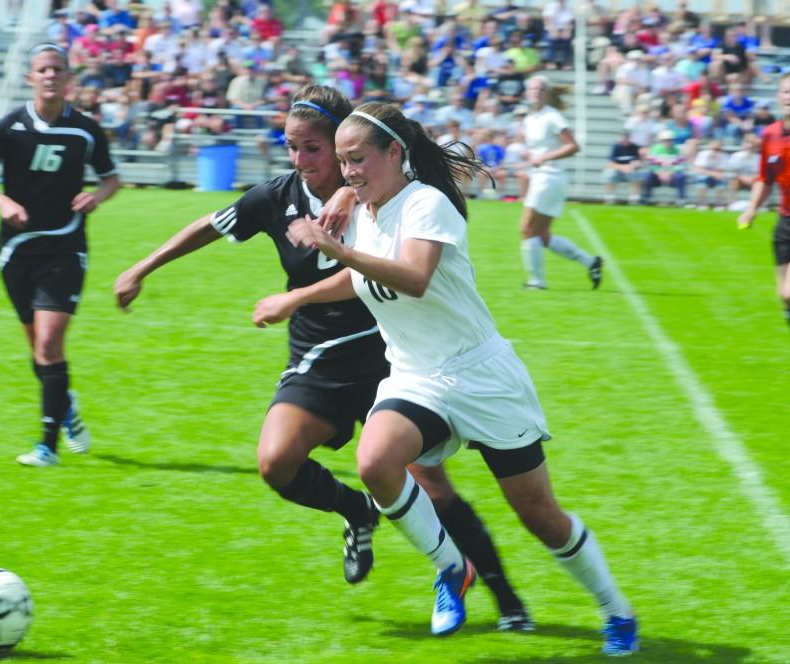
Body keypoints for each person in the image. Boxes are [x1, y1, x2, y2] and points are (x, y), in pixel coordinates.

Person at [113, 85, 534, 630]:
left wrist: (339, 216)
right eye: (292, 146)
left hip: (394, 359)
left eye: (314, 148)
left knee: (430, 483)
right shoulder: (279, 196)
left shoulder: (380, 189)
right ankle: (355, 510)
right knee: (275, 461)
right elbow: (210, 226)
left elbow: (382, 264)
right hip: (319, 357)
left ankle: (507, 599)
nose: (301, 160)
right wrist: (141, 268)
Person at [276, 101, 638, 654]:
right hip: (416, 377)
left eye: (358, 160)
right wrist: (297, 297)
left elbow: (414, 277)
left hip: (482, 378)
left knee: (540, 516)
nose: (347, 172)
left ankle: (616, 609)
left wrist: (336, 248)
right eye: (343, 162)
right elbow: (359, 278)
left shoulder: (427, 202)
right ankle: (452, 568)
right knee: (374, 461)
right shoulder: (367, 208)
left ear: (395, 152)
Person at [0, 43, 120, 466]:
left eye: (58, 69)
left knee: (50, 342)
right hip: (16, 249)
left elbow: (111, 178)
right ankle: (65, 408)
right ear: (31, 78)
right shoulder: (9, 126)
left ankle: (47, 446)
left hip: (66, 246)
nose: (50, 75)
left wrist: (97, 197)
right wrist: (2, 203)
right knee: (39, 351)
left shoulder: (85, 129)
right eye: (43, 69)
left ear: (69, 79)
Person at [520, 75, 602, 290]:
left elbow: (573, 146)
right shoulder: (530, 118)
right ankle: (590, 262)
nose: (536, 92)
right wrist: (530, 156)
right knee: (542, 235)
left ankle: (536, 282)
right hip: (544, 177)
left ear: (546, 93)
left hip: (549, 177)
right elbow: (539, 149)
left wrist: (544, 158)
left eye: (540, 89)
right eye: (532, 88)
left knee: (526, 229)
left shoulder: (552, 116)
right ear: (527, 92)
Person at [737, 72, 790, 329]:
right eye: (786, 92)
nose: (789, 97)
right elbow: (765, 178)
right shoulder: (770, 134)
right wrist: (751, 209)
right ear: (778, 96)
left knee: (789, 292)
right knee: (783, 295)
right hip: (785, 220)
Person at [602, 130, 642, 205]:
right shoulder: (616, 147)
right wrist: (623, 167)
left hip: (630, 170)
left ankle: (634, 198)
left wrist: (631, 166)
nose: (625, 140)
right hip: (618, 170)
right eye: (623, 138)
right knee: (610, 173)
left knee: (637, 174)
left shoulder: (635, 147)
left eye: (627, 138)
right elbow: (609, 163)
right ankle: (609, 197)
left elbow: (638, 161)